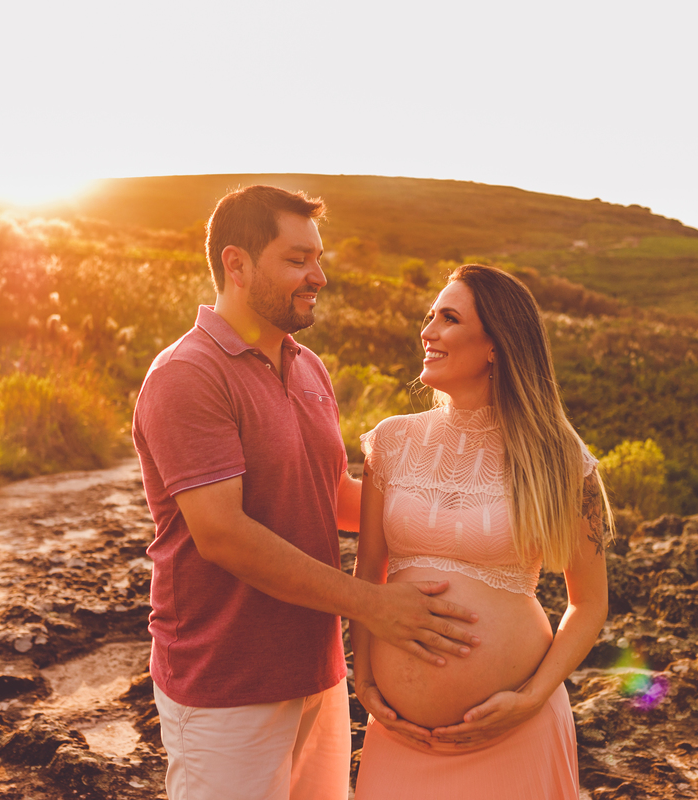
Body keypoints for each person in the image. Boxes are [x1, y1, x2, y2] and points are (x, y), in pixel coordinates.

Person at [131, 185, 481, 800]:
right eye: (297, 260)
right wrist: (371, 605)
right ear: (236, 264)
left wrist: (464, 519)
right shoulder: (188, 374)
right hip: (226, 686)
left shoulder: (309, 365)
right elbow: (223, 536)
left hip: (317, 672)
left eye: (318, 259)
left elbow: (335, 497)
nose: (317, 276)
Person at [350, 264, 612, 799]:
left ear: (496, 344)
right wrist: (366, 680)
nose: (428, 331)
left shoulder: (558, 457)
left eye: (448, 318)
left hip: (514, 734)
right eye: (430, 317)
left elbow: (589, 603)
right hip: (401, 737)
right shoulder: (391, 442)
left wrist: (534, 696)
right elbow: (368, 571)